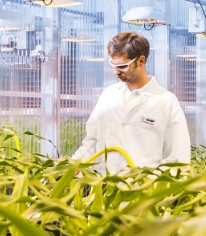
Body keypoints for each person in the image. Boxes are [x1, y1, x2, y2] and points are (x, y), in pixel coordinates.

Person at [73, 31, 191, 171]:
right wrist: (73, 165)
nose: (116, 72)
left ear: (141, 61)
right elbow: (92, 140)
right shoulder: (108, 95)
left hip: (143, 189)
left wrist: (151, 184)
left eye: (122, 66)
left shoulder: (166, 102)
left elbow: (177, 158)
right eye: (113, 65)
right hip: (103, 187)